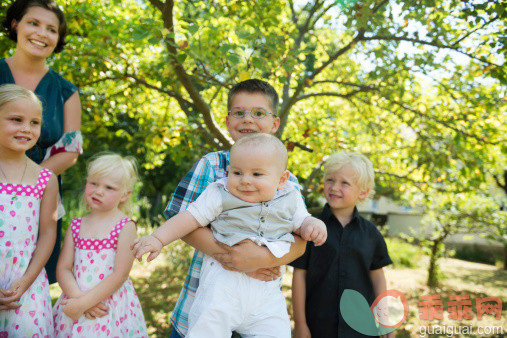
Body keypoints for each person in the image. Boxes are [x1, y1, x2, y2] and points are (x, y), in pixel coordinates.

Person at [132, 133, 327, 337]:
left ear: (281, 179)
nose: (245, 181)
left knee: (277, 331)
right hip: (222, 288)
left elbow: (302, 222)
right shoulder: (219, 193)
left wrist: (313, 224)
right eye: (237, 172)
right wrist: (157, 238)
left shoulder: (291, 196)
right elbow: (189, 218)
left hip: (267, 295)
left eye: (257, 174)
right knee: (207, 330)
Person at [163, 79, 308, 337]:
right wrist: (239, 260)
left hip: (260, 308)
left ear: (275, 123)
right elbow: (181, 220)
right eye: (239, 112)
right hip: (207, 303)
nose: (248, 120)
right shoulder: (212, 165)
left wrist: (264, 259)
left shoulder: (287, 182)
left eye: (259, 113)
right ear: (228, 121)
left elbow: (300, 240)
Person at [1, 0, 82, 284]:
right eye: (33, 23)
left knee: (29, 282)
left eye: (51, 29)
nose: (42, 33)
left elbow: (70, 149)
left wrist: (30, 183)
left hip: (41, 195)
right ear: (15, 24)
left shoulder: (67, 91)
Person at [291, 152, 393, 338]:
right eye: (330, 180)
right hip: (317, 326)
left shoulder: (371, 234)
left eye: (344, 183)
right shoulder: (309, 228)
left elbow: (378, 276)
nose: (334, 187)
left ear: (362, 192)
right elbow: (299, 275)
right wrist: (300, 323)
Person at [52, 153, 148, 337]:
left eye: (109, 187)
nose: (98, 191)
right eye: (94, 183)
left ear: (124, 195)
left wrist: (85, 303)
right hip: (75, 298)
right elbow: (63, 268)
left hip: (109, 307)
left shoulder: (125, 226)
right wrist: (80, 301)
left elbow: (120, 275)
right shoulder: (76, 225)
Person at [0, 84, 59, 335]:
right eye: (16, 119)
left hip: (26, 283)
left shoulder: (45, 179)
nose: (26, 128)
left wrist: (25, 281)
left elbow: (47, 233)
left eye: (34, 122)